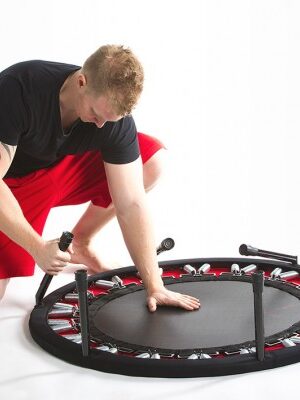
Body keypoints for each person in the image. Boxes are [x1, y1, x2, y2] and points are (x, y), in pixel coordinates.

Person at [0, 45, 200, 312]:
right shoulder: (20, 88)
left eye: (110, 120)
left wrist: (155, 285)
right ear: (81, 82)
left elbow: (131, 203)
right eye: (96, 114)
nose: (100, 126)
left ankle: (81, 243)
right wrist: (37, 247)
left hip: (58, 169)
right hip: (11, 182)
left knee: (149, 164)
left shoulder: (112, 121)